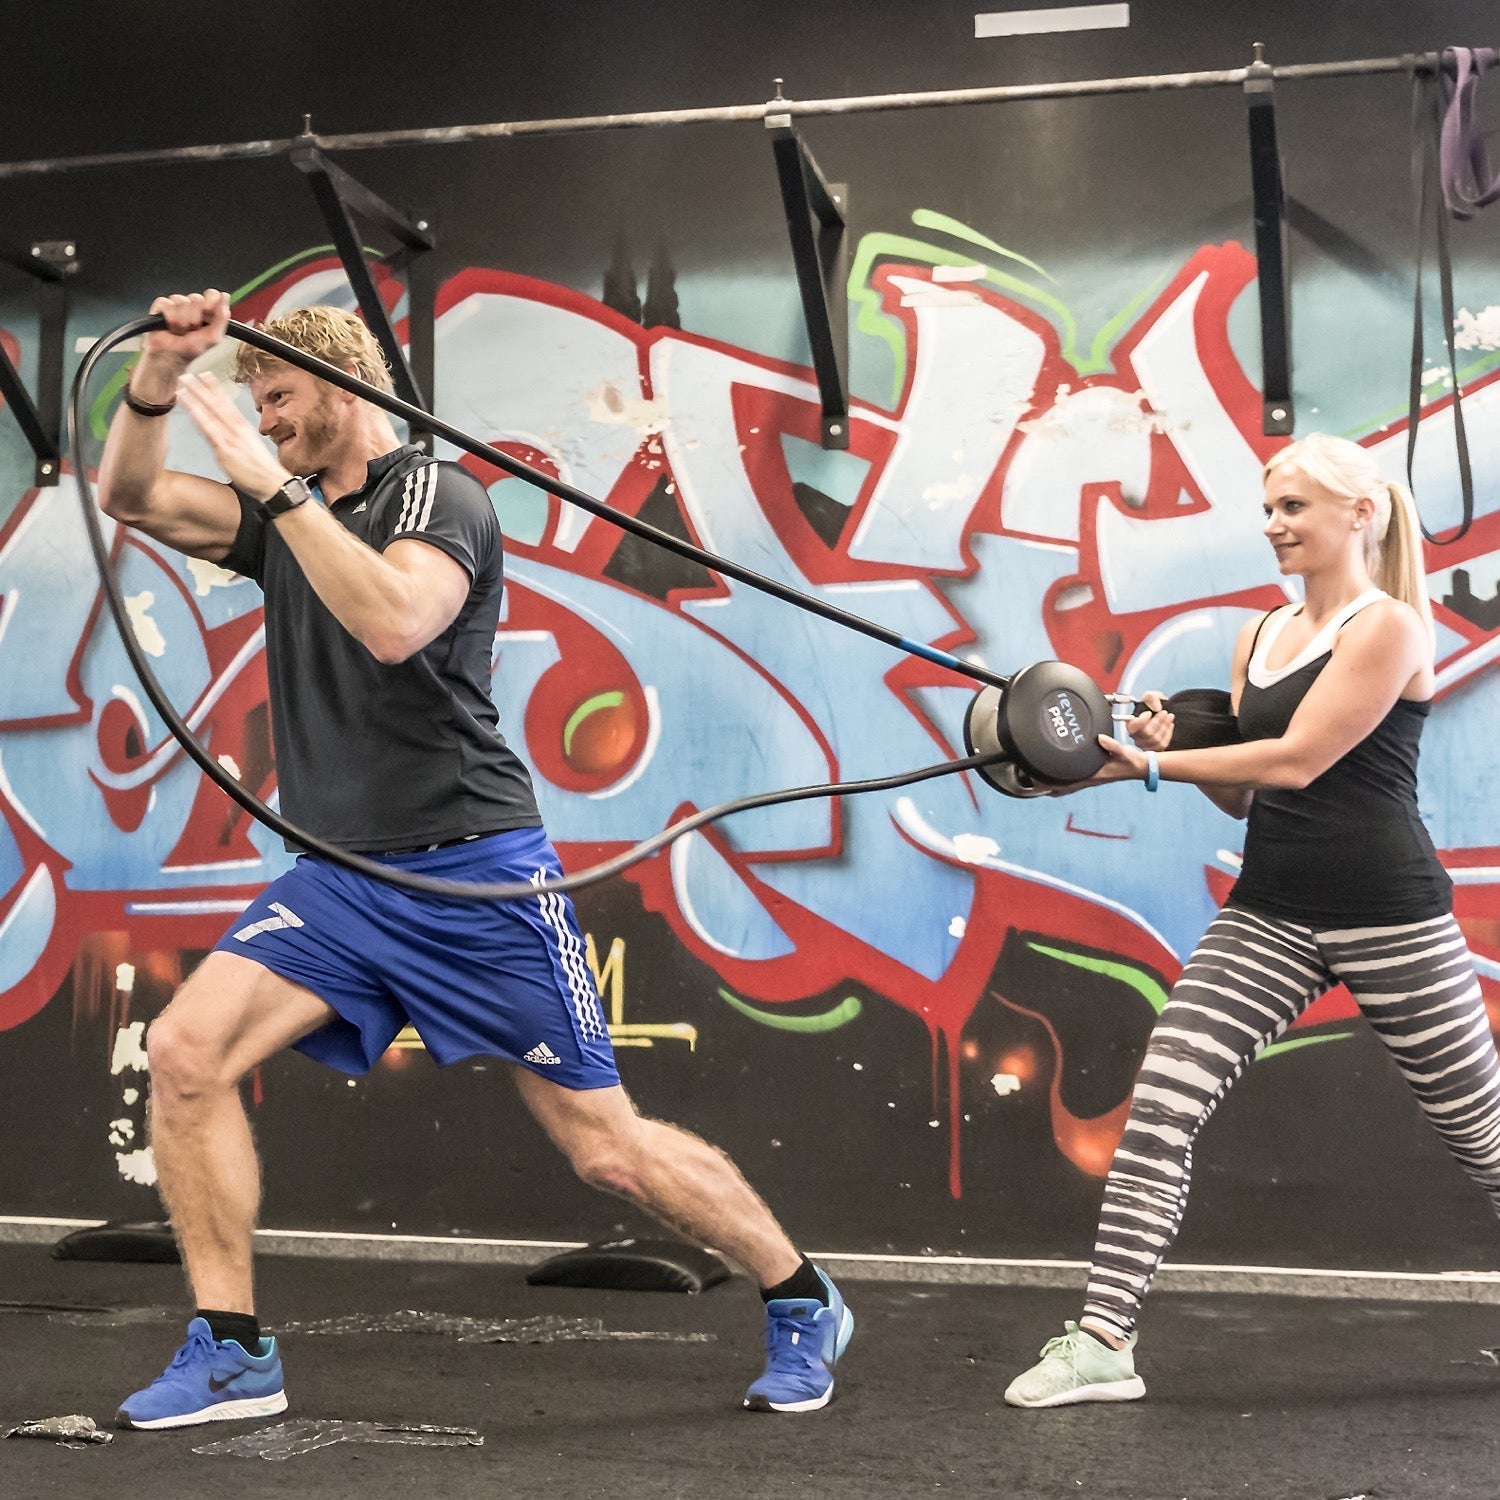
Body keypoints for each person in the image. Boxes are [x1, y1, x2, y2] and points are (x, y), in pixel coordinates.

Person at [97, 289, 853, 1429]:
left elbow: (397, 621)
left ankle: (802, 1296)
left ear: (347, 390)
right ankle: (234, 1351)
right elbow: (132, 493)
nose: (269, 422)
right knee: (186, 1051)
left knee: (606, 1152)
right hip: (342, 879)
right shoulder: (288, 511)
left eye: (284, 399)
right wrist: (159, 373)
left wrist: (277, 492)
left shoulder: (439, 495)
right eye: (258, 405)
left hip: (473, 875)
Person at [1005, 432, 1500, 1408]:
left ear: (1360, 513)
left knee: (1483, 1133)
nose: (1273, 525)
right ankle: (1104, 1343)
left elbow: (1298, 761)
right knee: (1161, 1103)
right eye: (1268, 508)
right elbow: (1245, 797)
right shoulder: (1259, 636)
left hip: (1390, 914)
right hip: (1270, 911)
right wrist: (1161, 743)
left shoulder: (1390, 628)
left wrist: (1146, 764)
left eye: (1294, 507)